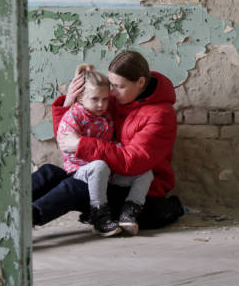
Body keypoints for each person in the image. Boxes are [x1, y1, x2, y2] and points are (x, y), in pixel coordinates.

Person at [32, 50, 184, 231]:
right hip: (105, 175)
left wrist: (82, 144)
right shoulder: (111, 99)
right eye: (111, 85)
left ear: (141, 82)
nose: (112, 92)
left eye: (119, 86)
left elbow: (132, 162)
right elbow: (67, 141)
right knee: (50, 172)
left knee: (79, 186)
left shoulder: (162, 115)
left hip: (136, 189)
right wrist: (70, 102)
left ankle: (25, 219)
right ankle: (4, 200)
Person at [56, 63, 154, 236]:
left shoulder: (105, 117)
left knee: (146, 173)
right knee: (99, 166)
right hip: (81, 170)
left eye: (105, 99)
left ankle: (129, 211)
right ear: (80, 98)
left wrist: (119, 151)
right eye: (95, 99)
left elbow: (110, 142)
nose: (101, 104)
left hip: (106, 170)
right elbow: (66, 144)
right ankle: (98, 214)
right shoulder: (73, 116)